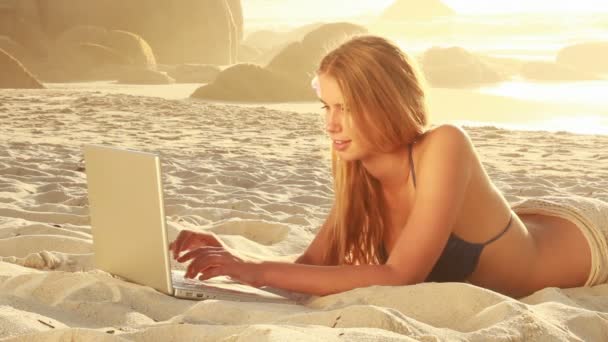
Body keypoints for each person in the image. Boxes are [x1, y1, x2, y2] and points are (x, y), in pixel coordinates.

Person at [169, 35, 608, 298]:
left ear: (386, 103)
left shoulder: (444, 144)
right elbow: (312, 265)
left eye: (346, 107)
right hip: (530, 219)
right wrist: (232, 260)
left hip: (588, 239)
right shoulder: (358, 170)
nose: (331, 124)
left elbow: (401, 276)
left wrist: (256, 270)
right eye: (326, 106)